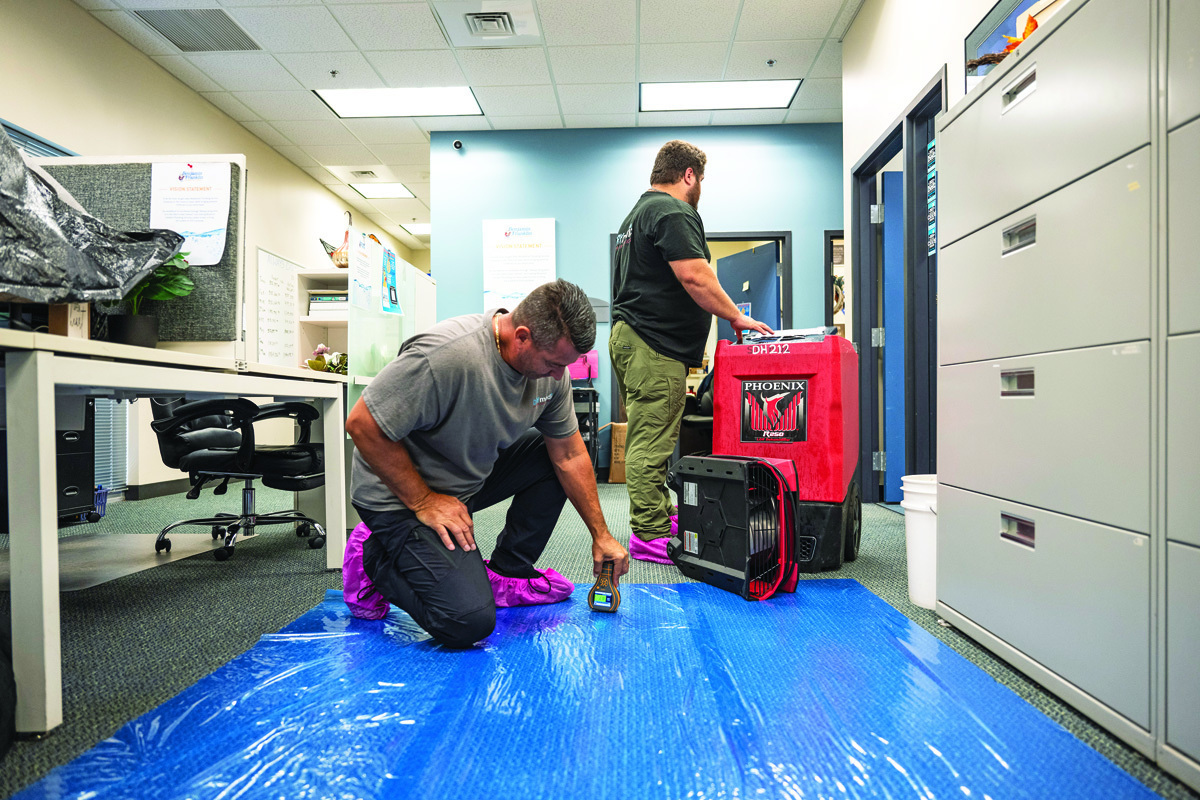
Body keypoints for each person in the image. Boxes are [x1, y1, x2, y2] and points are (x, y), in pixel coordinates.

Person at [345, 279, 629, 647]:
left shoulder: (551, 376)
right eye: (553, 363)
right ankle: (374, 557)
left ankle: (509, 571)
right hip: (399, 494)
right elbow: (362, 425)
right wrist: (424, 501)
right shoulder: (446, 355)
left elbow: (570, 454)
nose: (560, 376)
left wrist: (601, 534)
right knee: (467, 622)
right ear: (521, 336)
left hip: (465, 481)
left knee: (549, 455)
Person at [610, 140, 774, 564]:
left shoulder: (637, 215)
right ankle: (649, 534)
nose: (700, 188)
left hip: (635, 339)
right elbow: (695, 276)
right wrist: (736, 316)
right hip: (653, 344)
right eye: (700, 179)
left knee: (652, 434)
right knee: (651, 442)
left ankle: (659, 514)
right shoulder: (673, 211)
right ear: (689, 175)